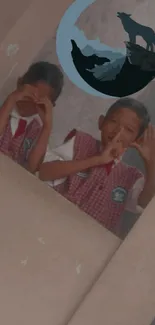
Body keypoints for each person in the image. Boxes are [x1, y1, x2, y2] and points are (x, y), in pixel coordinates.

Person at [38, 98, 155, 235]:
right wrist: (97, 160)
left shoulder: (131, 176)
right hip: (52, 226)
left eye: (128, 129)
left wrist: (151, 164)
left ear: (137, 140)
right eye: (113, 121)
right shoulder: (79, 142)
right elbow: (43, 172)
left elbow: (144, 204)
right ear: (101, 122)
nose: (118, 131)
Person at [0, 61, 64, 173]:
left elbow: (32, 168)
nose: (31, 104)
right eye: (28, 96)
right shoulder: (4, 108)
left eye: (40, 103)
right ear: (20, 84)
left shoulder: (38, 131)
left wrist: (47, 127)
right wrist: (11, 100)